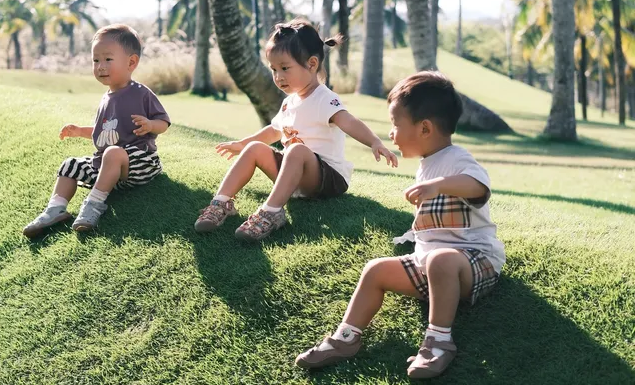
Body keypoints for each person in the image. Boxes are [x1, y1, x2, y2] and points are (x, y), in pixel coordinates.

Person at [295, 71, 505, 379]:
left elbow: (478, 187)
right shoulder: (427, 163)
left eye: (395, 124)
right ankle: (346, 338)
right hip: (432, 268)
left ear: (424, 128)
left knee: (440, 260)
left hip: (475, 263)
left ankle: (438, 343)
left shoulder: (457, 159)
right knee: (376, 269)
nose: (391, 133)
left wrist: (440, 185)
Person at [195, 19, 398, 242]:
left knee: (297, 151)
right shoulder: (289, 102)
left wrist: (374, 142)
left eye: (284, 68)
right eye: (273, 69)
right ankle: (221, 202)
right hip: (295, 177)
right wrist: (242, 145)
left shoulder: (324, 98)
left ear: (311, 64)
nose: (278, 76)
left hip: (327, 179)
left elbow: (349, 121)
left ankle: (271, 212)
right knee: (255, 148)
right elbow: (273, 131)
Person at [23, 24, 171, 237]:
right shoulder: (106, 98)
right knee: (70, 164)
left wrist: (150, 125)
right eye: (96, 60)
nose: (101, 66)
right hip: (108, 168)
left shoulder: (140, 93)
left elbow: (163, 122)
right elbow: (104, 131)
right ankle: (55, 209)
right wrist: (79, 131)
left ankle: (94, 204)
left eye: (108, 59)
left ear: (131, 62)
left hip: (139, 164)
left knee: (112, 152)